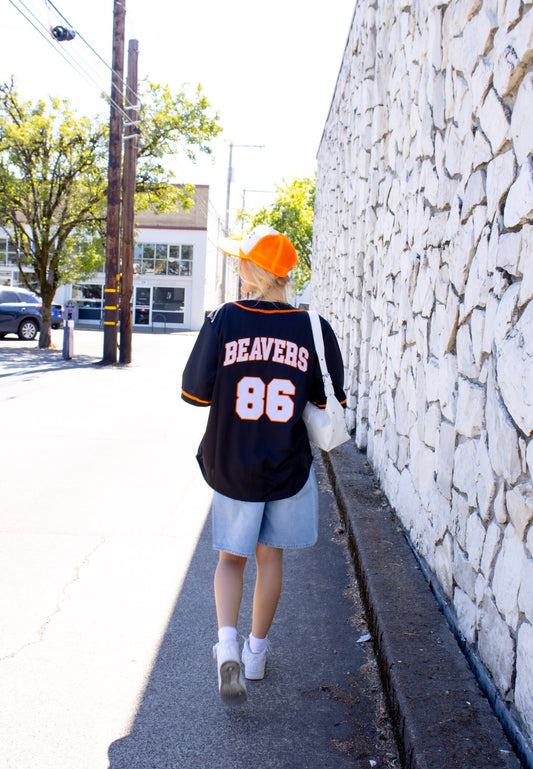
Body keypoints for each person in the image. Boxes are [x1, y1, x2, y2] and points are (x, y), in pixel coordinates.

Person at [181, 224, 346, 705]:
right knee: (270, 556)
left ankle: (226, 644)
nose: (237, 266)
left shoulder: (225, 319)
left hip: (232, 462)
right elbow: (328, 397)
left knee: (231, 558)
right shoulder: (312, 327)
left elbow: (195, 392)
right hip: (286, 463)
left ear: (256, 270)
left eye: (242, 259)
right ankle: (255, 654)